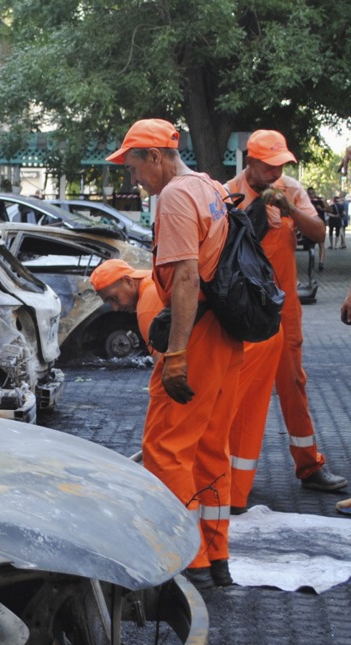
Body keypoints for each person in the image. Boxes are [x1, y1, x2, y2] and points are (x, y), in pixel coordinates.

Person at [107, 119, 243, 591]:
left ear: (156, 157)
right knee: (209, 449)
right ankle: (216, 555)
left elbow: (186, 278)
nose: (134, 180)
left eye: (135, 168)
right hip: (224, 336)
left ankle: (191, 561)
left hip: (197, 334)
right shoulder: (208, 186)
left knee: (165, 449)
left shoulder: (176, 198)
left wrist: (178, 354)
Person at [91, 259, 283, 518]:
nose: (116, 307)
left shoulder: (148, 304)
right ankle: (229, 502)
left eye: (114, 298)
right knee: (223, 430)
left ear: (128, 281)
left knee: (176, 444)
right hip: (255, 340)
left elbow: (166, 370)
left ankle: (182, 521)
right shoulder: (156, 285)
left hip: (240, 347)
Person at [226, 130, 347, 492]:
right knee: (239, 389)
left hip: (284, 307)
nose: (277, 173)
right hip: (246, 307)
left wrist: (289, 209)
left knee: (293, 383)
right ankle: (229, 471)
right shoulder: (228, 192)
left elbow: (320, 233)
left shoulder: (291, 190)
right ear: (251, 162)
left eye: (282, 165)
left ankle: (309, 467)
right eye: (270, 166)